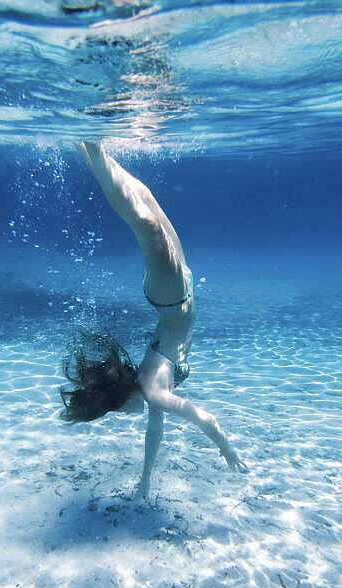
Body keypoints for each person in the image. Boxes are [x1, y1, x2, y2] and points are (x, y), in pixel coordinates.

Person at [60, 141, 247, 499]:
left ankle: (93, 147)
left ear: (120, 400)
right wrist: (145, 480)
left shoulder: (152, 390)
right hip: (178, 289)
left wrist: (225, 448)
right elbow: (155, 432)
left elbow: (205, 419)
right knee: (148, 204)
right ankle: (92, 150)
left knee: (146, 223)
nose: (125, 417)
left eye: (116, 414)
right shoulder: (150, 391)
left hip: (172, 296)